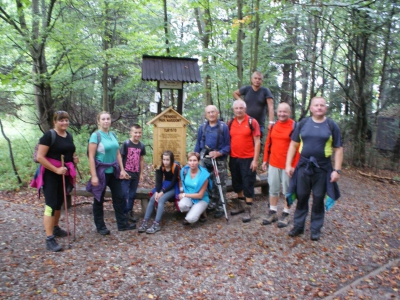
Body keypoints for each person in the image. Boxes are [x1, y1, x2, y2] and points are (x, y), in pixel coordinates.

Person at [285, 97, 343, 241]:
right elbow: (293, 144)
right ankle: (298, 226)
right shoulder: (303, 123)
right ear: (311, 108)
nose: (319, 108)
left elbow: (338, 149)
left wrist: (336, 170)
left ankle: (315, 229)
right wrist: (288, 165)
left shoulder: (331, 125)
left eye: (322, 105)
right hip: (303, 166)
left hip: (323, 168)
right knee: (301, 196)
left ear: (326, 108)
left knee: (318, 198)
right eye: (316, 105)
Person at [31, 111, 79, 252]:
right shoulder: (49, 136)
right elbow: (40, 157)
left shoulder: (68, 135)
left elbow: (69, 153)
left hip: (63, 173)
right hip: (50, 175)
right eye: (61, 120)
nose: (64, 123)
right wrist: (56, 169)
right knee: (50, 205)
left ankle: (56, 227)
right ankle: (49, 238)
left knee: (59, 203)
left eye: (66, 120)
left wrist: (74, 160)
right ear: (55, 122)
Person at [86, 111, 136, 235]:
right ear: (98, 121)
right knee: (99, 199)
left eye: (108, 119)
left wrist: (122, 169)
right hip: (101, 172)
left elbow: (117, 153)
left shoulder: (112, 134)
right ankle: (100, 226)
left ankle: (122, 223)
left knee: (119, 197)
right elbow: (91, 157)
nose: (106, 121)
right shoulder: (95, 136)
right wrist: (94, 176)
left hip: (113, 171)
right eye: (103, 119)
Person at [261, 102, 300, 228]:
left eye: (285, 112)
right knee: (273, 188)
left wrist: (294, 165)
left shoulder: (295, 126)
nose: (282, 114)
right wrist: (265, 160)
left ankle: (286, 213)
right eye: (280, 111)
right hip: (273, 163)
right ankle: (272, 212)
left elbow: (299, 147)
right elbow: (268, 143)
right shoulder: (273, 126)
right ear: (277, 112)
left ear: (289, 113)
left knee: (288, 190)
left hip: (287, 165)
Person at [194, 105, 230, 218]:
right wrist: (196, 156)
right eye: (209, 112)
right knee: (206, 182)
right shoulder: (202, 127)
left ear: (217, 113)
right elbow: (198, 143)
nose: (211, 114)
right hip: (205, 159)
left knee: (220, 183)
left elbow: (228, 145)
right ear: (206, 114)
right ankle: (211, 204)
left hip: (219, 160)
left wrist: (219, 153)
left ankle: (220, 206)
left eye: (213, 112)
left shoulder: (223, 127)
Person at [229, 100, 261, 223]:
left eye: (241, 108)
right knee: (237, 183)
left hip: (248, 158)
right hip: (234, 158)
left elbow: (257, 142)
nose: (238, 110)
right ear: (233, 110)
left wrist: (255, 160)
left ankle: (248, 209)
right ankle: (241, 205)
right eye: (236, 108)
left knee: (248, 182)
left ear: (245, 109)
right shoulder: (231, 123)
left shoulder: (252, 122)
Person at [138, 150, 180, 234]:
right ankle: (145, 221)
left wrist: (162, 192)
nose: (165, 162)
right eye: (164, 159)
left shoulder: (175, 167)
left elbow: (173, 182)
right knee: (153, 198)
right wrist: (157, 191)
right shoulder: (161, 167)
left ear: (171, 160)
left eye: (167, 160)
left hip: (173, 187)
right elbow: (159, 181)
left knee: (161, 200)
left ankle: (156, 223)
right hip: (164, 185)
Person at [233, 71, 275, 138]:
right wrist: (241, 101)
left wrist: (271, 122)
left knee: (257, 143)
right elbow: (235, 93)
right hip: (246, 122)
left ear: (262, 81)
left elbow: (271, 107)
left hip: (259, 124)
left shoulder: (265, 91)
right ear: (251, 79)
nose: (257, 80)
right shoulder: (246, 89)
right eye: (255, 78)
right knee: (246, 141)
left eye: (259, 79)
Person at [120, 124, 146, 222]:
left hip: (136, 173)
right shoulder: (126, 144)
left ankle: (129, 212)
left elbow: (141, 160)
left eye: (139, 132)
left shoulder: (141, 145)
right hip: (126, 173)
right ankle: (123, 212)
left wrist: (141, 173)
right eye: (135, 132)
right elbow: (121, 158)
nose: (138, 134)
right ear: (131, 133)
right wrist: (122, 171)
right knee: (123, 193)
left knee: (132, 194)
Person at [178, 152, 212, 225]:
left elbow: (200, 195)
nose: (192, 163)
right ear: (188, 161)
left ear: (198, 161)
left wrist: (184, 195)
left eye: (195, 160)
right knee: (182, 205)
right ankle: (193, 210)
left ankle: (201, 212)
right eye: (190, 160)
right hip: (189, 196)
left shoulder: (204, 175)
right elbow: (182, 182)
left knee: (190, 219)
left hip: (201, 199)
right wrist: (181, 191)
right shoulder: (184, 171)